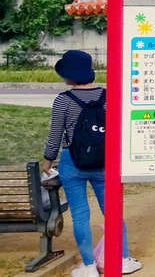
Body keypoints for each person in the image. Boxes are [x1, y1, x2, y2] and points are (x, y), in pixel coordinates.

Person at [42, 50, 142, 276]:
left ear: (68, 75)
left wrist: (48, 161)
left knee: (79, 214)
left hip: (71, 162)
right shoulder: (109, 96)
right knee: (112, 212)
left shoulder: (63, 100)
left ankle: (88, 266)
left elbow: (55, 135)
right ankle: (122, 258)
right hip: (104, 160)